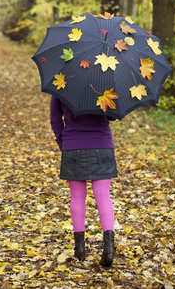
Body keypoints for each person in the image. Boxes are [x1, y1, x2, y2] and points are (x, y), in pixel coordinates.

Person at [50, 96, 117, 266]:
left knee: (77, 197)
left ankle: (79, 249)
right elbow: (113, 114)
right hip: (102, 144)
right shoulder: (105, 80)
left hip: (73, 144)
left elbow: (55, 118)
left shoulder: (62, 81)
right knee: (103, 195)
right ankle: (109, 248)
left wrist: (62, 142)